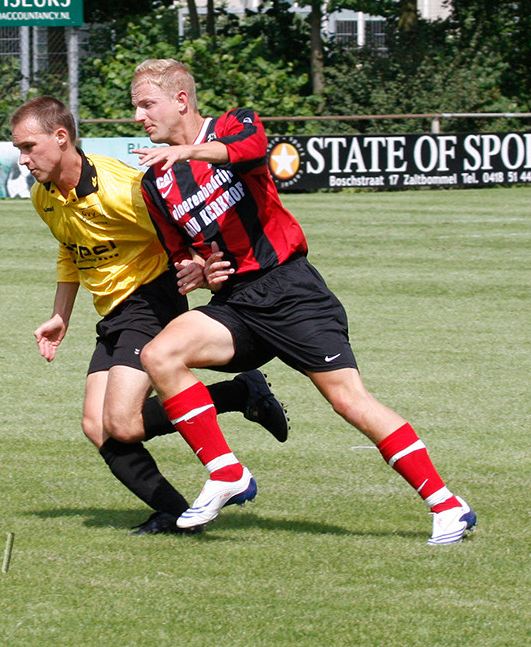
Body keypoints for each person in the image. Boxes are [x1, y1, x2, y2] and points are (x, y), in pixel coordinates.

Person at [129, 59, 476, 544]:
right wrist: (200, 271)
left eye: (147, 105)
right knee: (159, 354)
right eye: (136, 108)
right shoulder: (155, 183)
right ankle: (226, 472)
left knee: (349, 401)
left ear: (181, 100)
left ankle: (447, 506)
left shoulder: (232, 123)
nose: (139, 117)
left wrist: (188, 152)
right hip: (236, 304)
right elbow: (184, 255)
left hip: (290, 290)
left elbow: (251, 149)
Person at [10, 96, 289, 535]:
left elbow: (181, 227)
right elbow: (70, 250)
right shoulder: (43, 196)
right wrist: (60, 315)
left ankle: (239, 394)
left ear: (61, 138)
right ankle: (176, 514)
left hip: (151, 299)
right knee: (97, 426)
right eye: (19, 150)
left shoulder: (122, 189)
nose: (24, 159)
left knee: (123, 423)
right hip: (113, 314)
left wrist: (204, 266)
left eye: (29, 147)